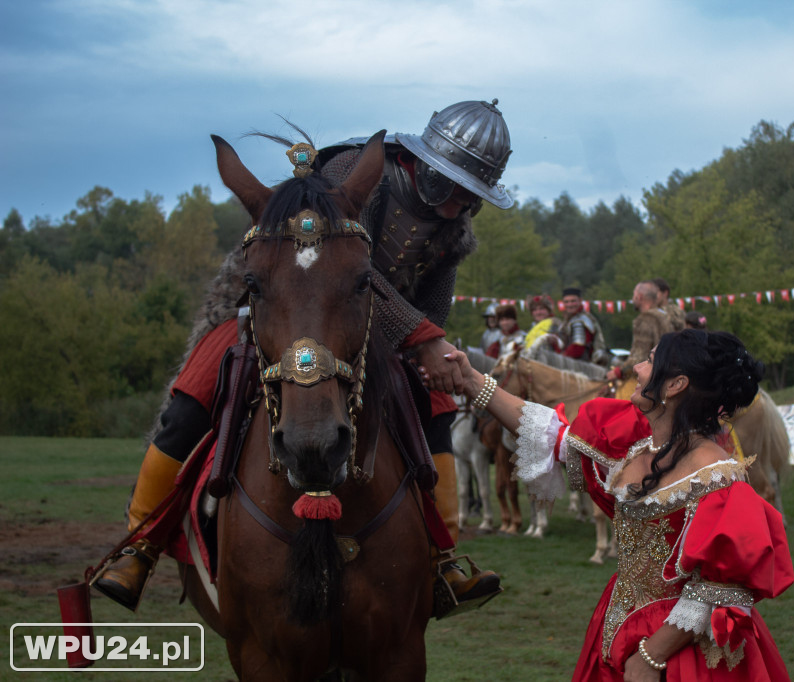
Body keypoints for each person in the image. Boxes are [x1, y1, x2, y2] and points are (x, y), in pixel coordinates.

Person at [94, 100, 511, 616]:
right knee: (193, 400)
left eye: (470, 197)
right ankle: (138, 546)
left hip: (373, 334)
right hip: (280, 305)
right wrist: (421, 335)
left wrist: (432, 349)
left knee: (435, 410)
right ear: (423, 164)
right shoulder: (351, 172)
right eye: (451, 188)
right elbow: (342, 265)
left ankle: (442, 560)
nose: (456, 206)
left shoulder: (453, 231)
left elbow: (431, 306)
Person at [440, 329, 794, 680]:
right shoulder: (638, 447)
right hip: (618, 628)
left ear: (676, 385)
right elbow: (552, 434)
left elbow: (723, 589)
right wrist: (473, 381)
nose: (636, 369)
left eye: (650, 361)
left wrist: (651, 656)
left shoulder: (718, 479)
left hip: (683, 653)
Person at [606, 281, 672, 387]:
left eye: (634, 295)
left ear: (640, 297)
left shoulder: (644, 319)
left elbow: (639, 357)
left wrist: (618, 372)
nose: (632, 299)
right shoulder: (666, 316)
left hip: (651, 380)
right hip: (667, 376)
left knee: (619, 397)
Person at [559, 287, 608, 363]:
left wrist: (560, 357)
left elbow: (578, 348)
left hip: (582, 364)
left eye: (573, 301)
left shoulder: (580, 319)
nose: (570, 304)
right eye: (566, 302)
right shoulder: (568, 320)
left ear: (580, 301)